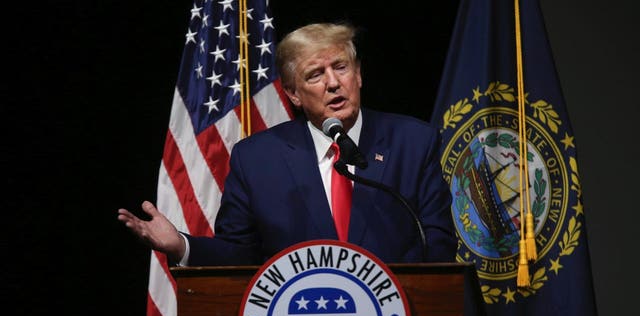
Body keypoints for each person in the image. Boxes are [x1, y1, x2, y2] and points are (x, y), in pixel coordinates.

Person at [118, 22, 456, 266]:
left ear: (359, 74)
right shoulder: (257, 159)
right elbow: (240, 252)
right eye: (315, 75)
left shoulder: (414, 141)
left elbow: (437, 242)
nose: (334, 83)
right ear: (293, 94)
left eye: (341, 67)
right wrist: (181, 246)